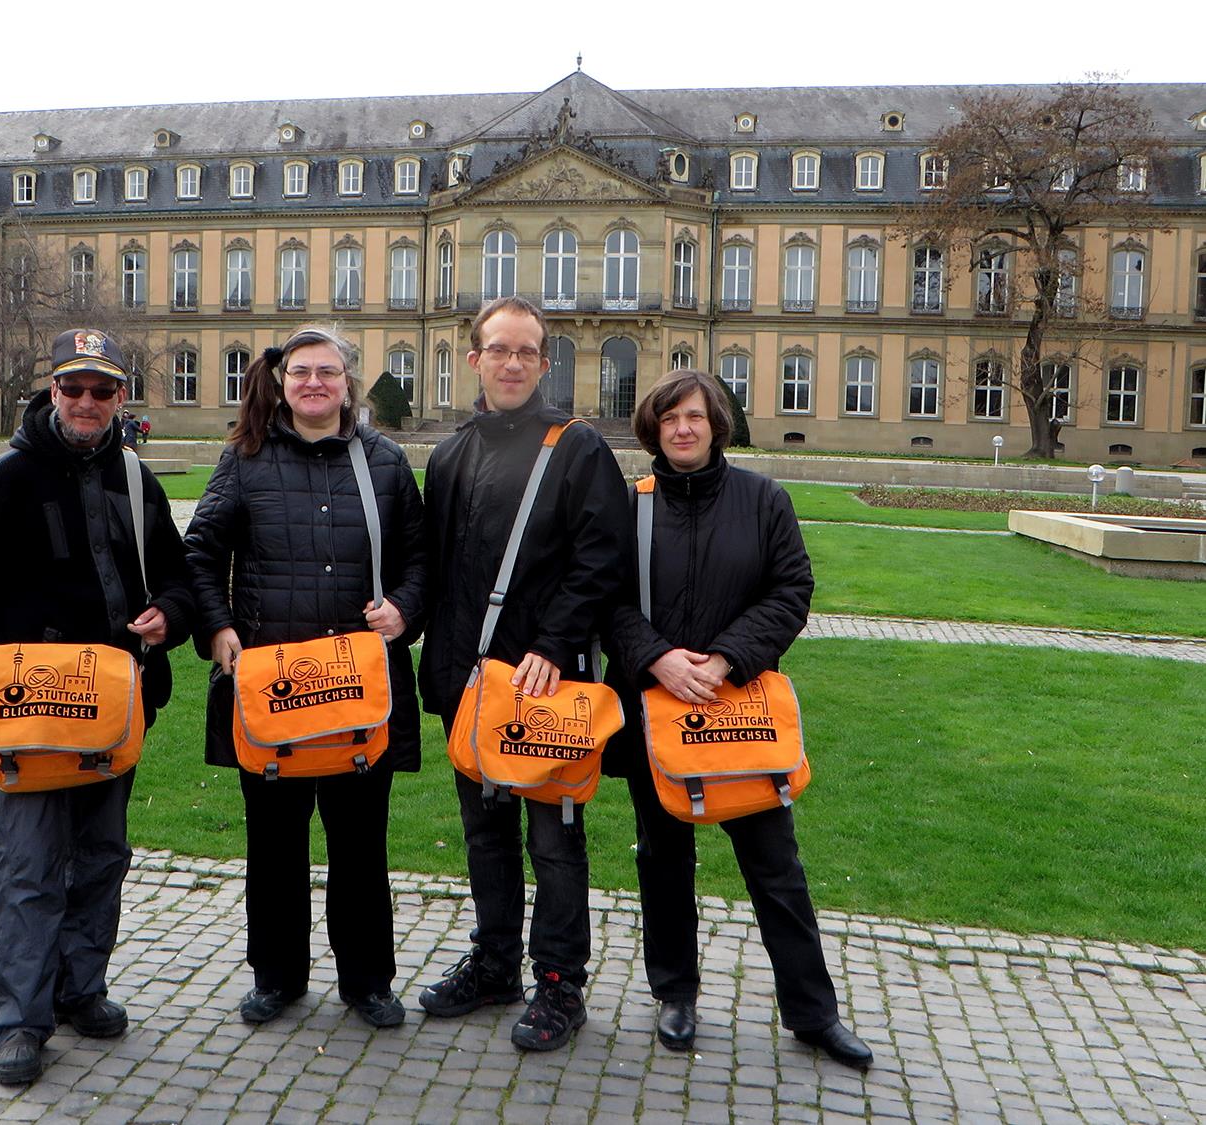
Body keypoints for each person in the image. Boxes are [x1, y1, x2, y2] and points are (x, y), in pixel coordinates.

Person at [0, 328, 196, 1086]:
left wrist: (168, 616)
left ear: (120, 398)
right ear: (52, 391)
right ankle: (20, 1019)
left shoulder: (135, 476)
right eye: (73, 387)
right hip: (32, 710)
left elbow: (176, 576)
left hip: (113, 704)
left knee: (102, 856)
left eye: (102, 389)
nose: (86, 401)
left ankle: (81, 987)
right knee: (29, 864)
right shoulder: (7, 478)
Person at [603, 368, 873, 1069]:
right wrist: (659, 659)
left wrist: (724, 660)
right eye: (669, 419)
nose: (683, 428)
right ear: (653, 430)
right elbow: (605, 599)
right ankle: (676, 994)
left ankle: (814, 1013)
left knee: (775, 866)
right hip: (655, 712)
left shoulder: (762, 500)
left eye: (694, 415)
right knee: (663, 860)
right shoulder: (629, 506)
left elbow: (792, 589)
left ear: (716, 422)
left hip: (741, 713)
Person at [182, 325, 426, 1029]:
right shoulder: (245, 459)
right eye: (300, 372)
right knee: (275, 847)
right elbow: (201, 553)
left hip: (358, 688)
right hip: (271, 684)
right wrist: (219, 628)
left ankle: (367, 980)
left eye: (327, 371)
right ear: (282, 381)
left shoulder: (383, 460)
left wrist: (404, 607)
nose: (314, 383)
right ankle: (278, 976)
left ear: (349, 381)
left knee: (359, 845)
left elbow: (420, 557)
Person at [416, 296, 629, 1052]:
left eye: (526, 352)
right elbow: (436, 571)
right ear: (472, 359)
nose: (511, 363)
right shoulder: (451, 453)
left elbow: (602, 560)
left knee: (554, 839)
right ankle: (497, 961)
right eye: (497, 350)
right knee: (485, 834)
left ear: (545, 362)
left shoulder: (576, 447)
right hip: (470, 685)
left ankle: (559, 983)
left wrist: (555, 638)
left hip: (547, 681)